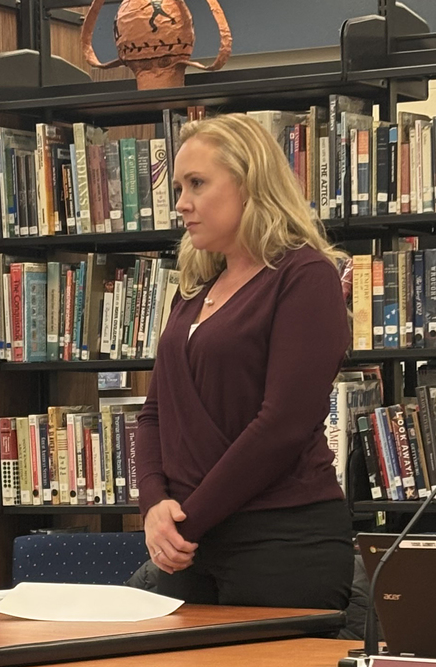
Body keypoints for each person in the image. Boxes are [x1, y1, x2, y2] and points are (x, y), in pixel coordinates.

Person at [136, 113, 353, 610]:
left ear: (250, 184)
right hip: (191, 543)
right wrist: (153, 507)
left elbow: (282, 425)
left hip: (282, 541)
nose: (182, 204)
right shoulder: (194, 290)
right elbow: (155, 413)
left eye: (197, 184)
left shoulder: (304, 277)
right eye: (178, 187)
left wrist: (185, 519)